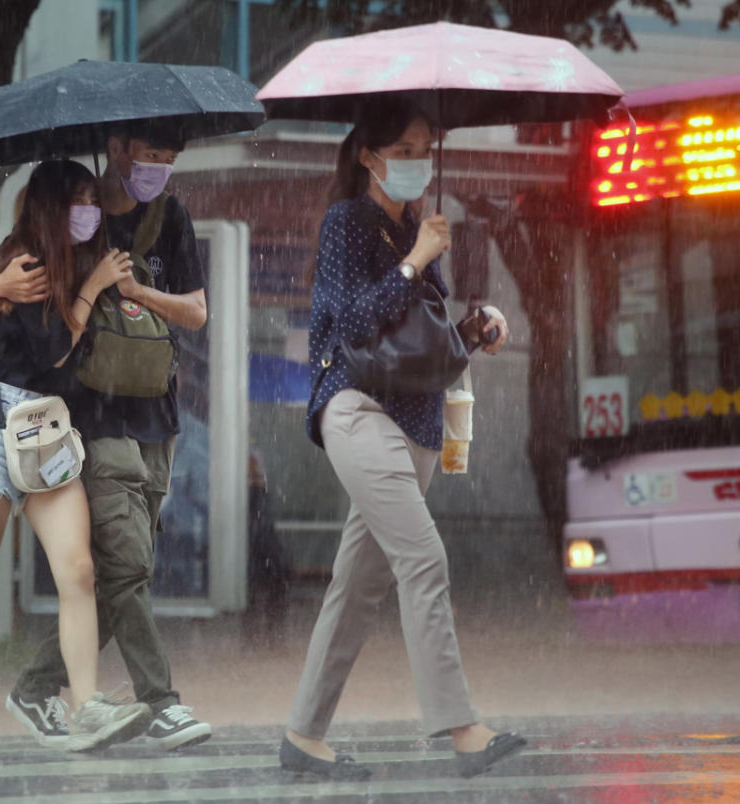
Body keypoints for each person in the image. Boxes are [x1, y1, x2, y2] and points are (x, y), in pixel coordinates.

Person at [278, 100, 526, 780]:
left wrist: (479, 327)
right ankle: (461, 727)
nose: (419, 159)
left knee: (355, 590)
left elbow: (427, 342)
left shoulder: (418, 228)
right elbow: (352, 320)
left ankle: (302, 736)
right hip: (357, 414)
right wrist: (416, 261)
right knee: (425, 561)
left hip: (414, 427)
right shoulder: (347, 223)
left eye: (426, 147)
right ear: (369, 156)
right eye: (407, 148)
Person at [0, 121, 212, 751]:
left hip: (158, 413)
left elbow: (197, 311)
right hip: (91, 417)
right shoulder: (73, 217)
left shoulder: (169, 219)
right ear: (119, 149)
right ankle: (161, 702)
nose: (158, 168)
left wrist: (137, 290)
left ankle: (35, 685)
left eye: (169, 159)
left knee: (124, 570)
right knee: (126, 568)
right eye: (150, 154)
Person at [0, 159, 151, 753]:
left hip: (50, 431)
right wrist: (1, 285)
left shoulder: (89, 255)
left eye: (94, 200)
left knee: (79, 571)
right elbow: (52, 352)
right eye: (79, 201)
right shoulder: (26, 260)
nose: (89, 212)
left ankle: (85, 705)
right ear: (51, 207)